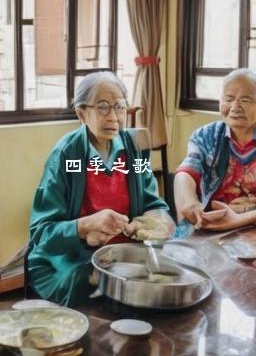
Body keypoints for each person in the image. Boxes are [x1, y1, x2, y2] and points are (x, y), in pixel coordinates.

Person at [28, 71, 174, 306]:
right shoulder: (67, 157)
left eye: (119, 106)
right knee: (88, 281)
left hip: (127, 253)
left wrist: (153, 223)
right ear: (81, 113)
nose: (114, 117)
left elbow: (154, 205)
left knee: (166, 280)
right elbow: (41, 234)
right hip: (71, 257)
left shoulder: (133, 150)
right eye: (103, 107)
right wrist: (84, 227)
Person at [174, 68, 256, 232]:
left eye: (245, 100)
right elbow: (186, 173)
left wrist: (238, 220)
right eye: (228, 98)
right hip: (212, 223)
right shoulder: (205, 135)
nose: (235, 107)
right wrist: (190, 203)